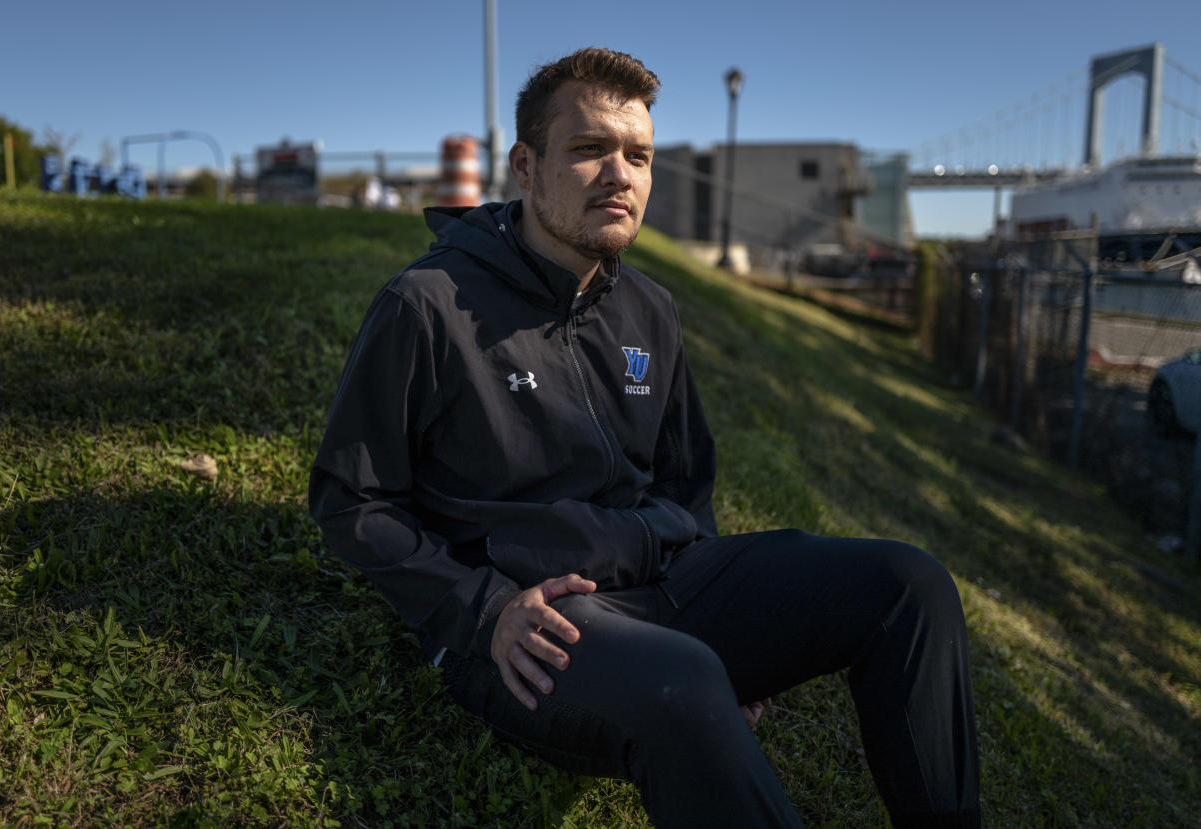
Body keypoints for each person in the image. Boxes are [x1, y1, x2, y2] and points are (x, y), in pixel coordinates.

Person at [309, 47, 981, 828]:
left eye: (639, 156)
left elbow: (684, 481)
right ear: (526, 166)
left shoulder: (651, 309)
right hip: (537, 616)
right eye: (590, 150)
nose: (620, 175)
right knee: (687, 678)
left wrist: (743, 624)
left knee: (910, 584)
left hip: (668, 580)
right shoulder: (427, 305)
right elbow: (351, 501)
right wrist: (482, 610)